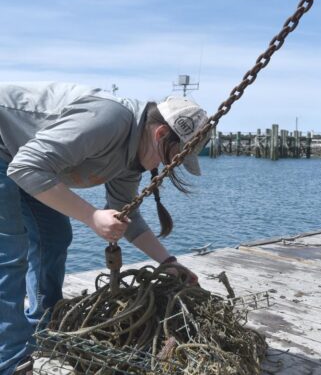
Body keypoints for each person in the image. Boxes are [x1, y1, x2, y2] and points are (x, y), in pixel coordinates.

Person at [0, 82, 207, 375]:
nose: (169, 165)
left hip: (25, 159)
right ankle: (10, 362)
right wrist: (91, 216)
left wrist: (169, 263)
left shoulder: (133, 155)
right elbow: (26, 167)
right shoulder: (110, 121)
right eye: (173, 157)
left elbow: (129, 218)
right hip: (8, 149)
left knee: (55, 237)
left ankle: (42, 329)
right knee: (9, 255)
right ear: (160, 133)